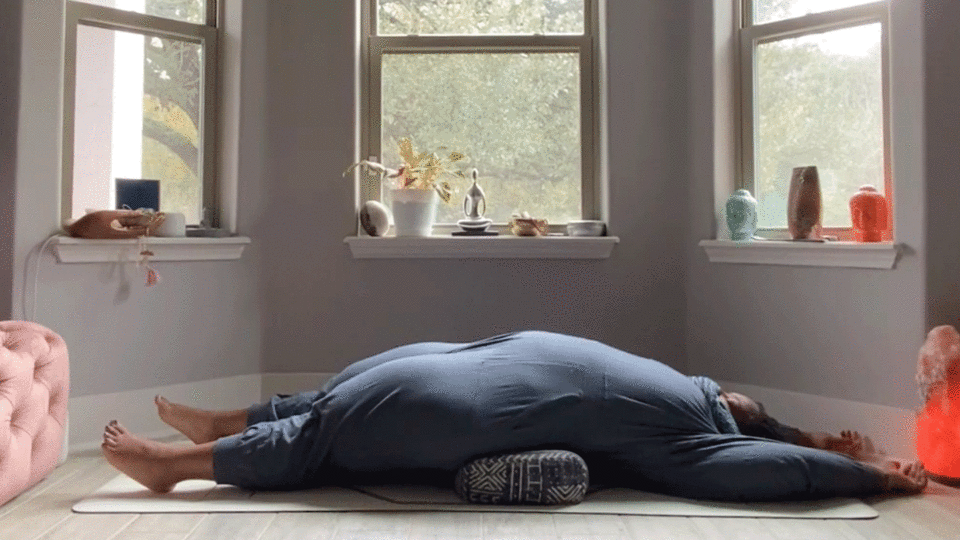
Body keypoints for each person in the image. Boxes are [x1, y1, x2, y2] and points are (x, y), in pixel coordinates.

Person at [102, 331, 928, 502]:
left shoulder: (690, 435)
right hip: (464, 359)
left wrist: (868, 478)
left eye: (744, 408)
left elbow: (778, 465)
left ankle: (173, 468)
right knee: (338, 395)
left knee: (335, 425)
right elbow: (785, 438)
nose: (737, 393)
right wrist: (826, 440)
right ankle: (220, 423)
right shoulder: (690, 390)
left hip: (467, 395)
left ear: (732, 421)